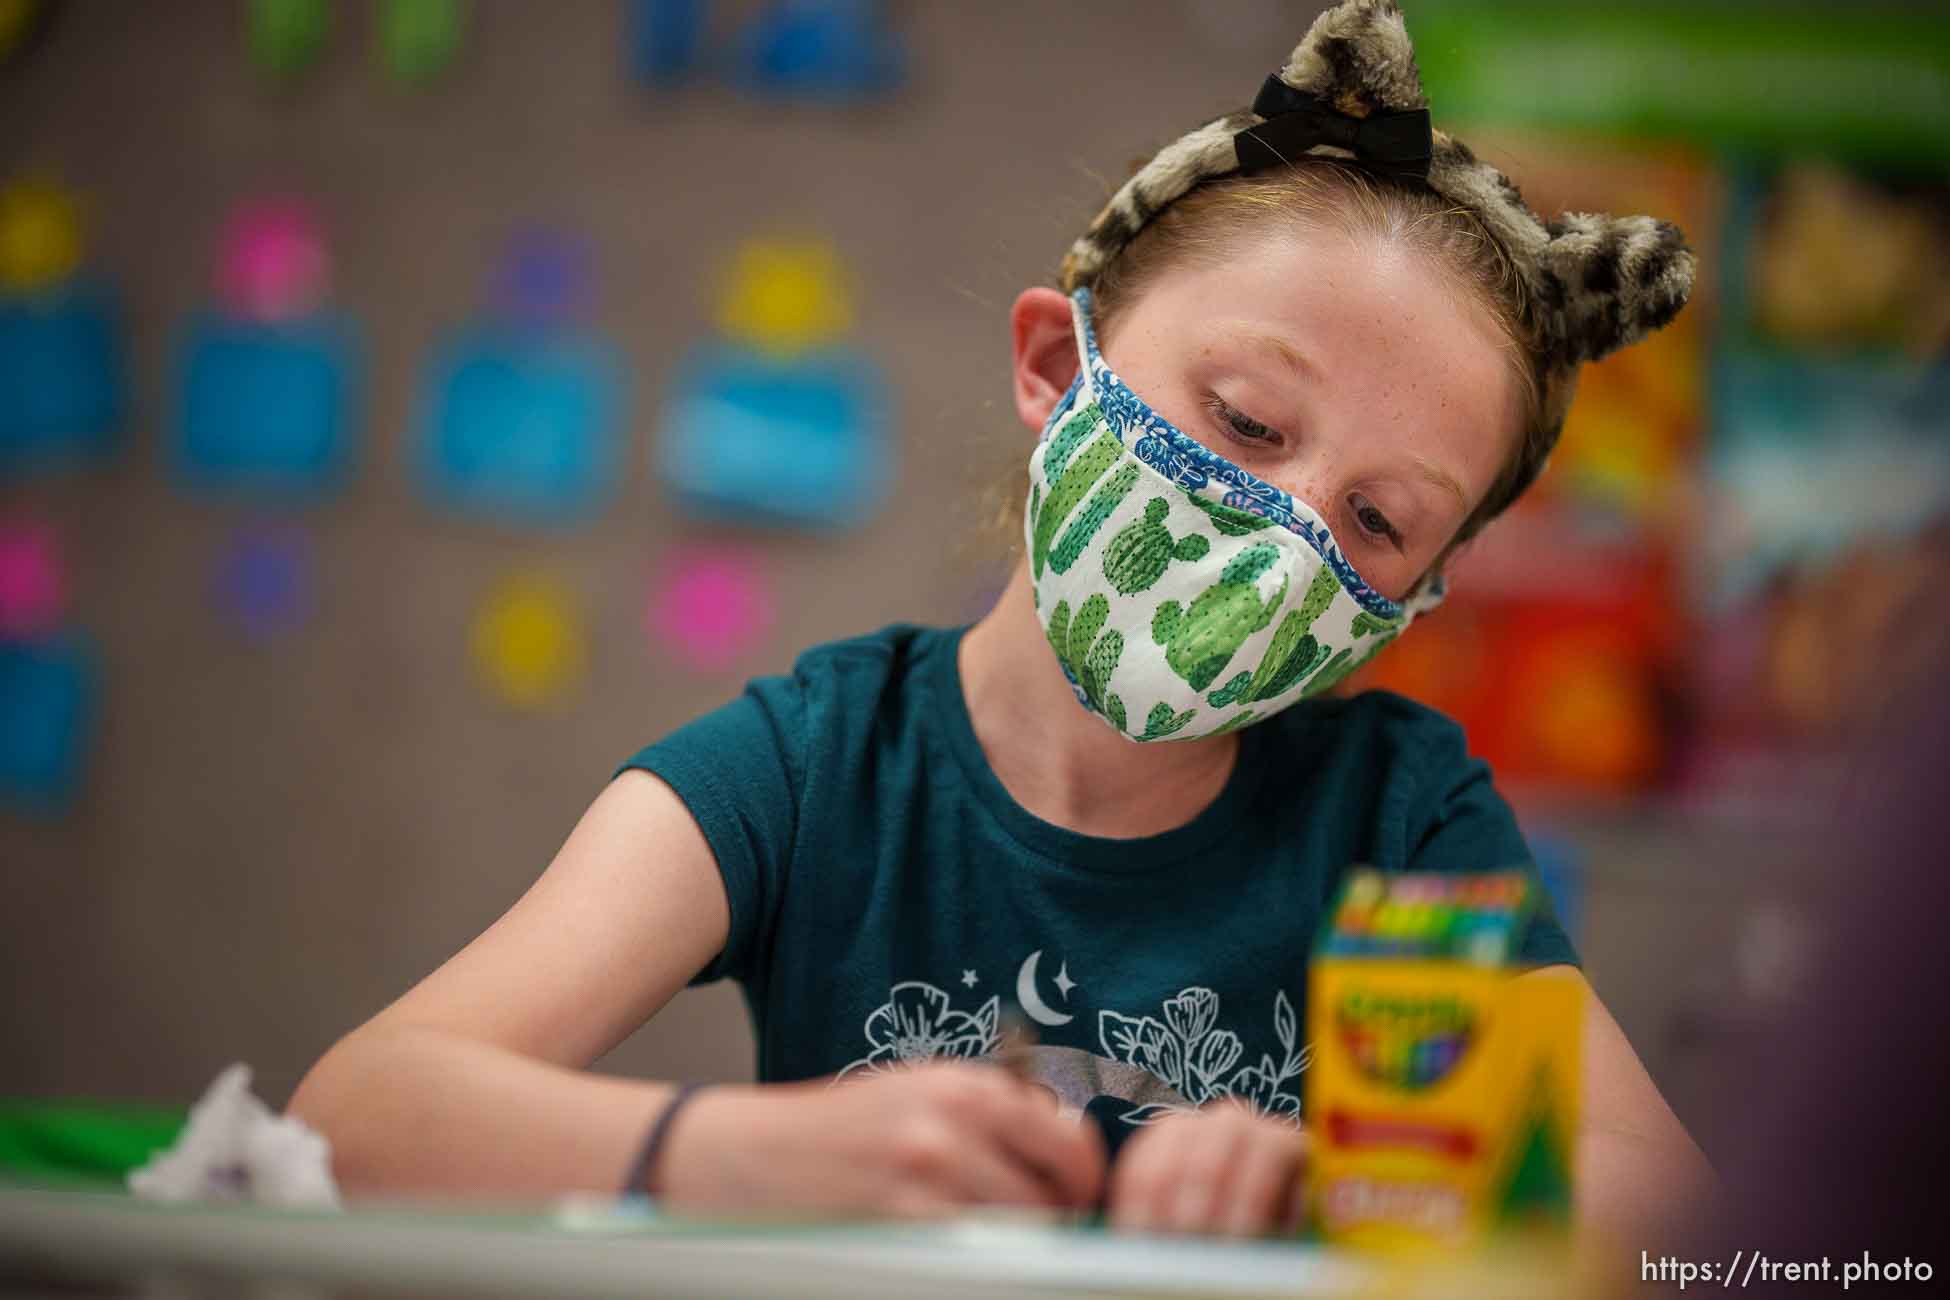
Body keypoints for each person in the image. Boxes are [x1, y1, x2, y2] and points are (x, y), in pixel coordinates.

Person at [289, 0, 1712, 1239]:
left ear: (1421, 590)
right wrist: (729, 1155)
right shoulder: (812, 770)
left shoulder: (1392, 818)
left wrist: (1342, 1187)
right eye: (1245, 419)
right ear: (1052, 365)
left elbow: (1699, 1229)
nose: (1288, 537)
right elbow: (355, 1117)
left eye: (1379, 523)